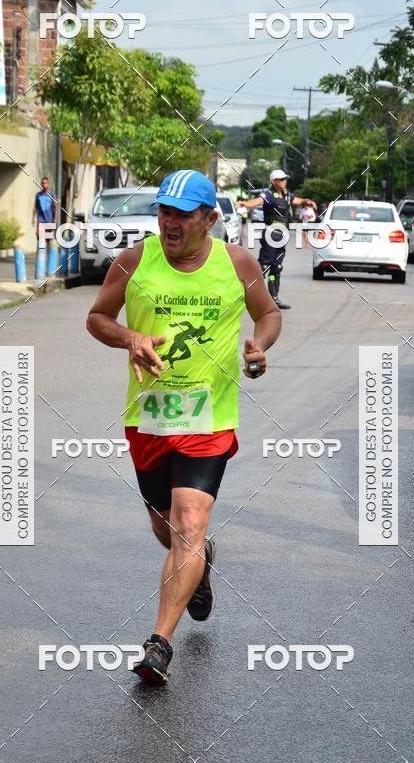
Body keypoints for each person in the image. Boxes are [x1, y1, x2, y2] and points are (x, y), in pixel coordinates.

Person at [86, 170, 282, 684]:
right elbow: (97, 318)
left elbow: (268, 313)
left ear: (210, 219)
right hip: (148, 420)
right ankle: (200, 561)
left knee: (189, 523)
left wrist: (260, 346)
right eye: (164, 213)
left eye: (183, 215)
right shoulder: (133, 261)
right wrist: (129, 337)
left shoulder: (236, 263)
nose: (170, 224)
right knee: (166, 527)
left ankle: (159, 643)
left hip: (209, 419)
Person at [237, 170, 316, 310]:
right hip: (271, 234)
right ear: (273, 181)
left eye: (285, 179)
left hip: (283, 235)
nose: (284, 181)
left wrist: (307, 201)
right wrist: (245, 204)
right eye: (281, 179)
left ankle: (274, 298)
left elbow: (297, 200)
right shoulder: (268, 194)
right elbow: (257, 201)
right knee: (263, 267)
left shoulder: (286, 196)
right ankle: (246, 295)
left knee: (276, 267)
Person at [32, 177, 57, 243]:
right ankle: (41, 251)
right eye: (42, 183)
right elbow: (35, 206)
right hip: (40, 219)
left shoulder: (52, 194)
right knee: (38, 235)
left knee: (48, 239)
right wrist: (33, 218)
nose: (44, 184)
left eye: (45, 183)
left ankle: (47, 252)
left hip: (49, 219)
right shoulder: (38, 195)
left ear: (48, 184)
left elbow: (55, 207)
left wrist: (55, 218)